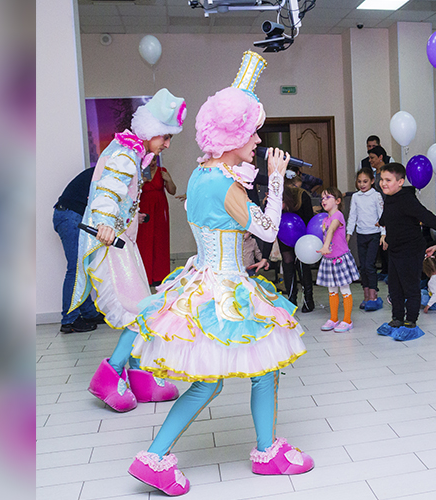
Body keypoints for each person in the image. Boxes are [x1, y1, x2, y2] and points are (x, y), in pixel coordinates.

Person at [127, 51, 313, 496]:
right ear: (233, 136)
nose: (258, 141)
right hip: (225, 289)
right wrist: (276, 177)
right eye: (252, 133)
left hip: (206, 281)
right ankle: (155, 457)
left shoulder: (203, 174)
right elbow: (268, 231)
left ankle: (262, 451)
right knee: (213, 383)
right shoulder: (224, 185)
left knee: (252, 373)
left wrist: (246, 82)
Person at [75, 88, 185, 413]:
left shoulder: (131, 152)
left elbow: (119, 193)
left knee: (144, 310)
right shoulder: (125, 154)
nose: (167, 144)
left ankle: (139, 377)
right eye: (165, 136)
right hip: (112, 246)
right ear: (150, 131)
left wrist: (129, 216)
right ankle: (110, 377)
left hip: (123, 243)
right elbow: (108, 191)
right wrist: (106, 222)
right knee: (140, 314)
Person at [376, 163, 436, 341]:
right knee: (394, 286)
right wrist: (382, 224)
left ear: (400, 182)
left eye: (388, 180)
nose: (383, 183)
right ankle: (397, 318)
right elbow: (388, 215)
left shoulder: (407, 199)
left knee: (410, 286)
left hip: (410, 249)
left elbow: (426, 216)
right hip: (395, 249)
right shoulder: (390, 198)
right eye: (382, 179)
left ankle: (411, 321)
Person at [53, 167, 105, 333]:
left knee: (83, 267)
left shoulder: (101, 171)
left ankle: (88, 313)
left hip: (70, 215)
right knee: (77, 268)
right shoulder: (106, 173)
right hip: (70, 216)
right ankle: (69, 320)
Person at [259, 185, 317, 312]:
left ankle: (308, 299)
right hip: (284, 234)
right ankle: (291, 300)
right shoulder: (274, 206)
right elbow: (269, 231)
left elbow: (309, 220)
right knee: (287, 262)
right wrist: (264, 257)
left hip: (301, 234)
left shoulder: (301, 197)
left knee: (302, 264)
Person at [316, 187, 361, 333]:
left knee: (344, 289)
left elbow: (331, 230)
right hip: (329, 259)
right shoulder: (325, 219)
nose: (323, 200)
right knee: (332, 290)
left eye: (327, 197)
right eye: (322, 198)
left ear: (337, 201)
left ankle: (347, 320)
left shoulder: (338, 216)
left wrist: (325, 246)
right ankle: (333, 318)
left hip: (340, 259)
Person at [348, 168, 386, 311]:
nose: (362, 184)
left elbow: (382, 215)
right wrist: (348, 233)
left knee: (370, 265)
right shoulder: (356, 197)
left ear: (372, 181)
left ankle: (373, 296)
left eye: (365, 181)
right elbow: (352, 216)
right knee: (363, 266)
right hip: (361, 235)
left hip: (374, 235)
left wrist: (383, 234)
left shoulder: (376, 196)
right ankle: (366, 296)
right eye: (359, 182)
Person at [137, 160, 177, 285]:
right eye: (150, 160)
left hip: (159, 210)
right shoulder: (139, 172)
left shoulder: (162, 171)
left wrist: (168, 180)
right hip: (144, 210)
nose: (152, 163)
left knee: (160, 240)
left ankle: (160, 276)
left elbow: (173, 191)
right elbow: (132, 193)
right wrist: (142, 182)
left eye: (154, 159)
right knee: (144, 240)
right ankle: (145, 275)